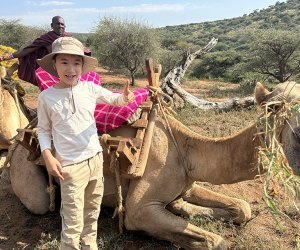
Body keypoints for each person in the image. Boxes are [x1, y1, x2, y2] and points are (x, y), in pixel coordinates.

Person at [36, 36, 135, 249]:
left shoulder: (90, 88)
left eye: (76, 62)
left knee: (91, 213)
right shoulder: (47, 97)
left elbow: (113, 99)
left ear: (82, 65)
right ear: (54, 64)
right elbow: (43, 131)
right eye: (64, 62)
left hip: (95, 160)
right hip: (70, 167)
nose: (71, 69)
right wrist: (48, 156)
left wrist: (125, 97)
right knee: (72, 222)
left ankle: (90, 246)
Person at [0, 16, 70, 85]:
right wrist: (5, 57)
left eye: (62, 24)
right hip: (50, 70)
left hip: (66, 68)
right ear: (52, 25)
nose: (60, 26)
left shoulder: (69, 38)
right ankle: (13, 69)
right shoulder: (46, 38)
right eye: (57, 24)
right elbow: (27, 50)